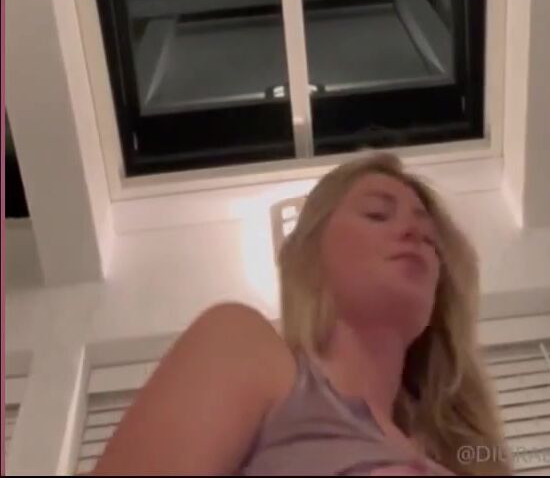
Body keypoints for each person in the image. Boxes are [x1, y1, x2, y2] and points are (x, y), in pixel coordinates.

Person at [92, 153, 511, 476]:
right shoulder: (243, 347)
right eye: (377, 214)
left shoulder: (459, 459)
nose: (414, 232)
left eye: (430, 237)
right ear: (310, 254)